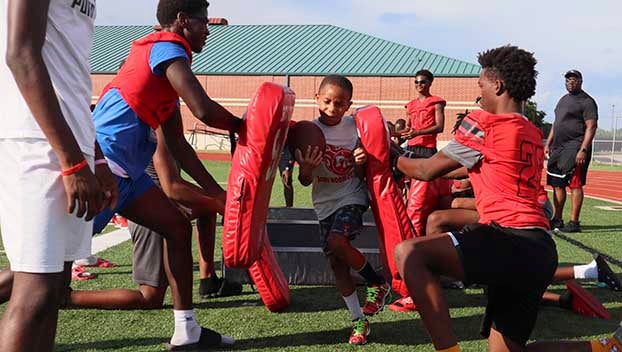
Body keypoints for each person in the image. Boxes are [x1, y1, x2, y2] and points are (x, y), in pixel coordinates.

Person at [89, 0, 241, 349]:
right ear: (182, 20)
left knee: (175, 226)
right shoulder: (167, 47)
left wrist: (217, 192)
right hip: (103, 168)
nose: (207, 30)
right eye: (203, 22)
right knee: (42, 276)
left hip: (127, 174)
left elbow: (179, 146)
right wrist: (247, 127)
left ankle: (186, 331)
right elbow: (203, 108)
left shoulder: (165, 80)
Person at [0, 1, 116, 351]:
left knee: (53, 290)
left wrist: (94, 159)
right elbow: (20, 53)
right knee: (34, 292)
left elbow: (70, 75)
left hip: (70, 138)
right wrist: (72, 162)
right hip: (36, 139)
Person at [65, 131, 242, 310]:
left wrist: (218, 198)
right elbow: (172, 186)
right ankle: (64, 298)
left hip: (150, 198)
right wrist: (223, 204)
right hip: (147, 206)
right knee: (150, 298)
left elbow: (182, 154)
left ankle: (207, 280)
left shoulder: (164, 119)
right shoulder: (155, 120)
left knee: (205, 210)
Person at [296, 75, 390, 345]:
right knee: (337, 265)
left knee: (338, 241)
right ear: (316, 98)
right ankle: (358, 320)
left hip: (351, 196)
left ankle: (376, 282)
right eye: (327, 101)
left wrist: (361, 161)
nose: (332, 108)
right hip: (324, 204)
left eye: (339, 103)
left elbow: (361, 175)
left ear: (349, 105)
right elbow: (304, 181)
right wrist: (306, 169)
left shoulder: (355, 128)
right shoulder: (307, 131)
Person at [545, 69, 598, 233]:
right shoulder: (562, 100)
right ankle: (558, 219)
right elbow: (556, 123)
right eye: (568, 80)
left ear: (580, 81)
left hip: (575, 147)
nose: (570, 82)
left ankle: (574, 222)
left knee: (575, 184)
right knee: (556, 183)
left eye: (574, 80)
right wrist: (548, 143)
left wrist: (583, 149)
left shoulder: (587, 101)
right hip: (558, 148)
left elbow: (591, 126)